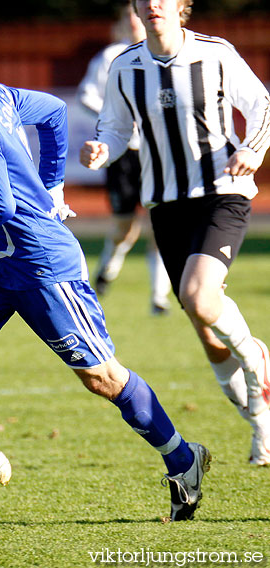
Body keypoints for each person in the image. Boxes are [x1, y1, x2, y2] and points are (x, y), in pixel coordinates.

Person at [0, 26, 210, 521]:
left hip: (43, 265)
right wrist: (52, 187)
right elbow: (54, 113)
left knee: (102, 377)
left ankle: (182, 458)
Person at [80, 0, 270, 465]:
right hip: (165, 203)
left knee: (200, 297)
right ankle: (262, 425)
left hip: (222, 192)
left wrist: (252, 149)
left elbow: (262, 104)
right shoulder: (125, 66)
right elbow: (115, 129)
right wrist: (100, 149)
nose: (153, 5)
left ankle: (254, 360)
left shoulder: (216, 53)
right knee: (203, 323)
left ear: (181, 5)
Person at [77, 3, 172, 314]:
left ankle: (159, 298)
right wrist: (116, 115)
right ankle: (106, 272)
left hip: (158, 151)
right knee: (124, 227)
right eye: (131, 13)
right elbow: (87, 95)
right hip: (121, 154)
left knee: (160, 225)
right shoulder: (110, 57)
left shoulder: (167, 52)